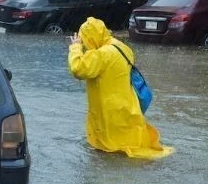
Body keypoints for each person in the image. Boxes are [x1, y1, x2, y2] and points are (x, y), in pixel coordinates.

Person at [68, 17, 174, 159]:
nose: (86, 45)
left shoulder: (102, 55)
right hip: (127, 104)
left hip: (109, 110)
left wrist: (75, 47)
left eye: (85, 40)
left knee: (110, 149)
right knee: (126, 142)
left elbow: (78, 69)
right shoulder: (121, 46)